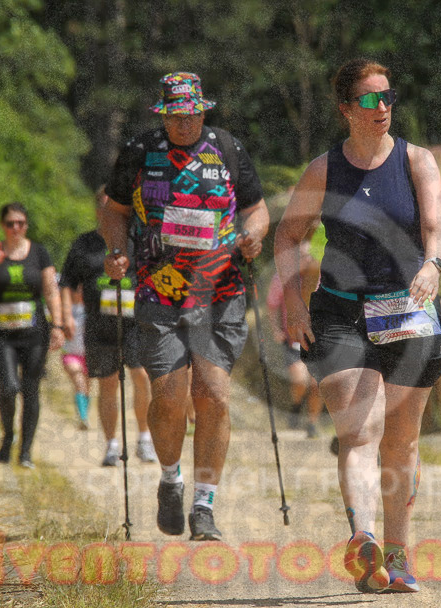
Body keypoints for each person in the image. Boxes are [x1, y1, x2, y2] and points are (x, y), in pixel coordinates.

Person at [274, 58, 441, 593]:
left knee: (401, 442)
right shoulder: (324, 170)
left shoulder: (417, 161)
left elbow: (436, 226)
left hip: (406, 309)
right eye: (371, 100)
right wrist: (295, 302)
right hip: (340, 312)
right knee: (360, 431)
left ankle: (397, 558)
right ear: (346, 109)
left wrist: (432, 265)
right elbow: (288, 237)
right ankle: (365, 539)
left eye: (388, 97)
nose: (383, 108)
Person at [100, 72, 269, 541]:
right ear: (164, 114)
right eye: (175, 116)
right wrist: (117, 250)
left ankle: (204, 505)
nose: (183, 123)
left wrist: (253, 235)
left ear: (203, 111)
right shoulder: (138, 151)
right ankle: (170, 478)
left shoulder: (228, 149)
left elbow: (256, 209)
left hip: (221, 291)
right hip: (159, 291)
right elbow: (113, 209)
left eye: (191, 114)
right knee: (170, 398)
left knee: (213, 394)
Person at [60, 189, 157, 467]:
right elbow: (66, 282)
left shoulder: (138, 242)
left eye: (114, 208)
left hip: (136, 323)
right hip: (99, 325)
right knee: (108, 383)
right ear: (96, 211)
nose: (108, 213)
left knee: (141, 377)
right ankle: (112, 445)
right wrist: (66, 316)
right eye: (103, 207)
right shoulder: (84, 244)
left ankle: (144, 439)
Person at [0, 202, 65, 468]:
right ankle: (9, 436)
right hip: (2, 334)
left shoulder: (39, 253)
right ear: (2, 225)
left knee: (31, 390)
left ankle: (25, 451)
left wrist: (58, 325)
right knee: (8, 387)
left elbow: (51, 290)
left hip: (35, 333)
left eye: (21, 223)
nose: (16, 228)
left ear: (26, 225)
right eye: (10, 224)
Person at [266, 240, 323, 438]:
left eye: (309, 256)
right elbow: (272, 306)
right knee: (300, 381)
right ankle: (297, 405)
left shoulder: (320, 279)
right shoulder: (282, 278)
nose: (307, 260)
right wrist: (276, 330)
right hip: (294, 340)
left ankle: (312, 424)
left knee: (317, 384)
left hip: (318, 340)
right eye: (302, 256)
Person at [60, 282, 91, 430]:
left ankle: (84, 413)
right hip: (70, 354)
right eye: (76, 289)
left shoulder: (90, 308)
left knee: (86, 387)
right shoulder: (65, 309)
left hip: (88, 355)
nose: (79, 292)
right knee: (79, 382)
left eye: (82, 289)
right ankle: (82, 417)